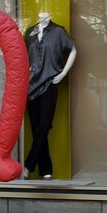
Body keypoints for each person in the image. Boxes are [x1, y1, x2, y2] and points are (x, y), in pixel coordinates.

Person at [22, 11, 76, 179]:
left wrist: (63, 73)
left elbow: (73, 50)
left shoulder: (58, 31)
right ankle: (46, 170)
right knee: (37, 128)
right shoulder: (30, 32)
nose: (42, 15)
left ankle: (28, 166)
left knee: (44, 126)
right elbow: (23, 57)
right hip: (30, 86)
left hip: (49, 83)